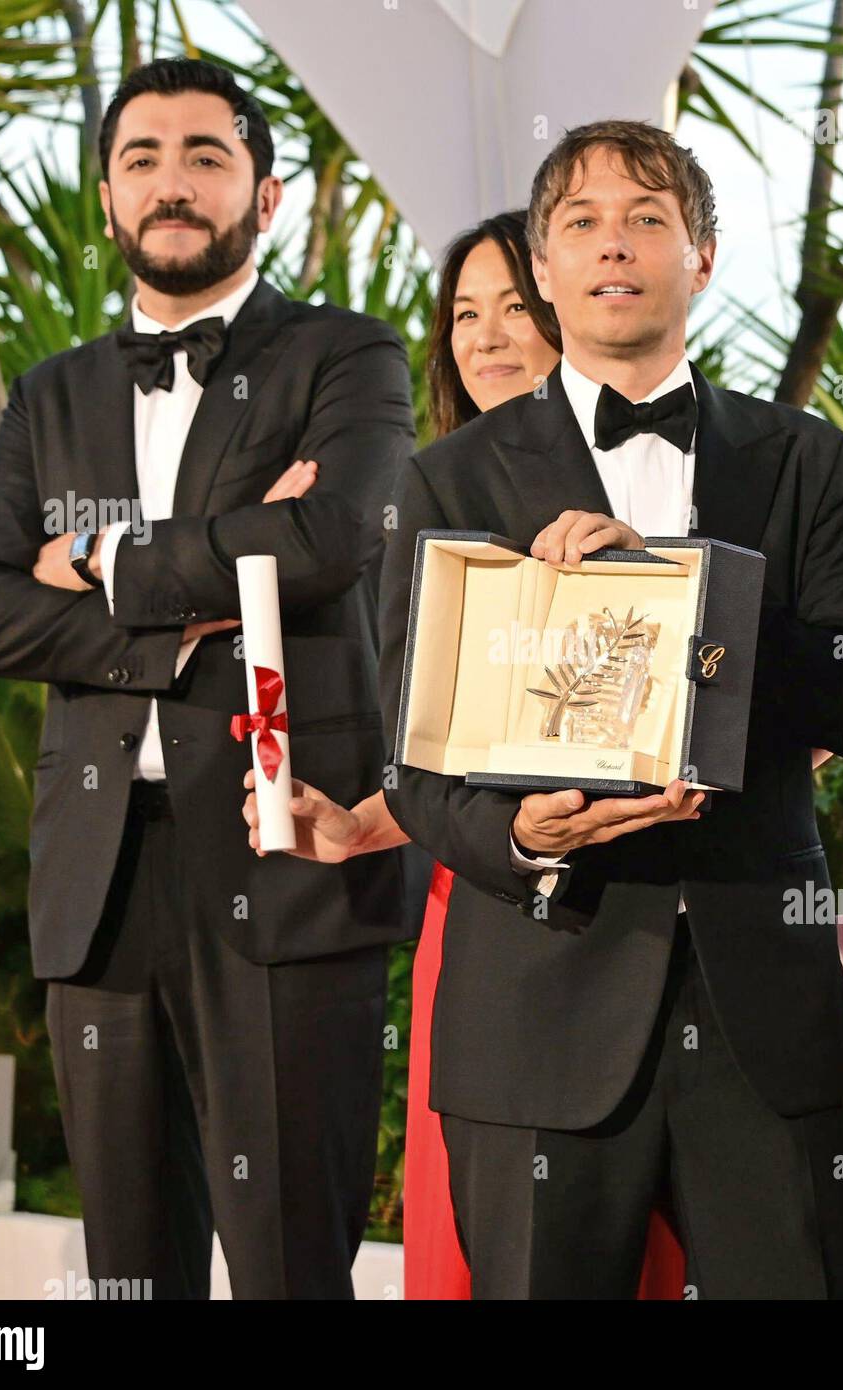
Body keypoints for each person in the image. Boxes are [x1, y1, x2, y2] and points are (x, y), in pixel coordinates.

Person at [376, 118, 843, 1299]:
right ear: (543, 265)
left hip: (756, 1015)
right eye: (580, 223)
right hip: (534, 1008)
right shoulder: (447, 480)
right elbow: (411, 765)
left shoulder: (801, 459)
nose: (612, 245)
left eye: (647, 219)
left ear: (702, 258)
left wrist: (685, 594)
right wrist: (519, 837)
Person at [0, 57, 415, 1298]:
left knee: (285, 1269)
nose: (172, 182)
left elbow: (330, 541)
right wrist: (192, 604)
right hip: (100, 878)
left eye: (207, 155)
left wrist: (102, 557)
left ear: (265, 197)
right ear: (107, 197)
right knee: (126, 1274)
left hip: (284, 852)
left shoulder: (343, 355)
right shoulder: (53, 395)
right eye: (142, 159)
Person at [244, 208, 694, 1298]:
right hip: (485, 906)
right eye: (462, 316)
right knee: (481, 1246)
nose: (486, 338)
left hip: (662, 912)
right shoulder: (430, 492)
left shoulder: (655, 489)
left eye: (513, 310)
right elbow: (452, 741)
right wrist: (360, 821)